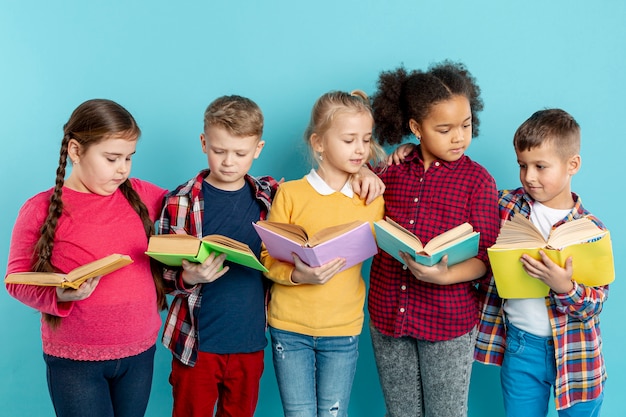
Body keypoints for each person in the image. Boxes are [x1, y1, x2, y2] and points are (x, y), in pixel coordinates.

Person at [158, 94, 385, 417]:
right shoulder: (180, 201)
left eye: (240, 153)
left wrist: (365, 172)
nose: (228, 162)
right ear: (203, 142)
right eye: (219, 151)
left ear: (257, 150)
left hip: (250, 340)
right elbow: (160, 271)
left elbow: (336, 178)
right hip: (196, 342)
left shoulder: (268, 194)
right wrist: (188, 276)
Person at [5, 99, 168, 417]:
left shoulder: (141, 194)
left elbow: (192, 199)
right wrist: (60, 295)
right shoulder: (39, 208)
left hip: (140, 351)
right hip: (75, 361)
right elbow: (16, 280)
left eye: (129, 158)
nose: (122, 168)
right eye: (111, 158)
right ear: (76, 152)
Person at [367, 61, 500, 417]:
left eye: (466, 125)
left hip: (448, 321)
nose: (459, 136)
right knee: (401, 413)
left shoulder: (478, 181)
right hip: (388, 314)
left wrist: (444, 275)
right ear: (416, 128)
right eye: (444, 129)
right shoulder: (390, 169)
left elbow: (485, 259)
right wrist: (373, 167)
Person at [260, 90, 386, 417]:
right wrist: (296, 274)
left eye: (366, 140)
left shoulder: (370, 198)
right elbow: (267, 256)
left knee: (333, 413)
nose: (360, 149)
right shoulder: (290, 193)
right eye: (349, 140)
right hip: (289, 326)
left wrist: (367, 172)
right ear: (319, 143)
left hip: (342, 327)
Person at [475, 109, 607, 417]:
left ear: (572, 164)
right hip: (521, 347)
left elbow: (595, 303)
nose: (528, 176)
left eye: (540, 166)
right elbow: (465, 192)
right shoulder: (505, 206)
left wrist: (564, 287)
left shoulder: (590, 230)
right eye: (522, 165)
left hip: (578, 352)